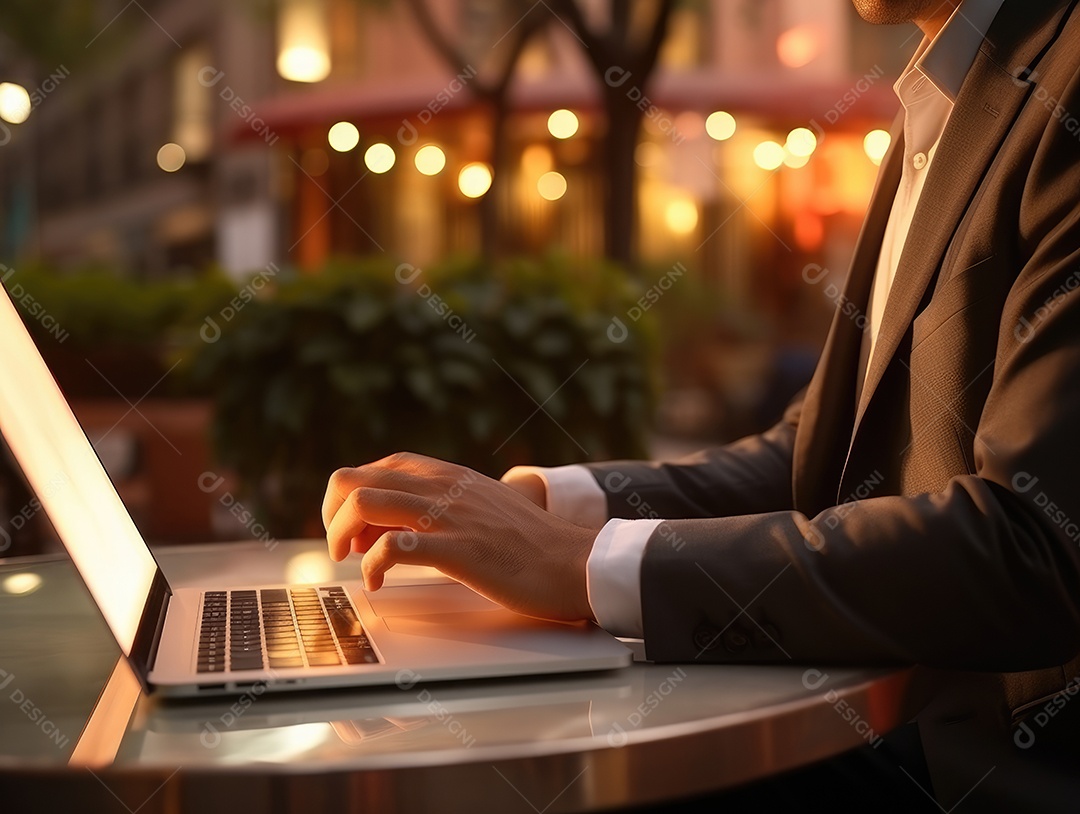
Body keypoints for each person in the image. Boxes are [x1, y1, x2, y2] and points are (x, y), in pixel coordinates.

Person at [322, 0, 1080, 809]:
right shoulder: (943, 92)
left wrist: (585, 564)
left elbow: (1035, 548)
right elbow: (815, 453)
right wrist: (551, 507)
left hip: (995, 770)